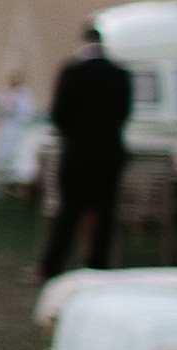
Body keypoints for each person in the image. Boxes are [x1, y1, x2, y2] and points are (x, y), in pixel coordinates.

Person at [36, 25, 133, 279]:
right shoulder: (120, 74)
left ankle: (51, 266)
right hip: (110, 154)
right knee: (105, 211)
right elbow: (125, 113)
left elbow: (59, 116)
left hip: (77, 153)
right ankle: (98, 265)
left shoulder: (71, 73)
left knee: (68, 211)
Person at [0, 67, 36, 196]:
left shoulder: (24, 94)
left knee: (18, 157)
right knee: (3, 156)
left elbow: (28, 112)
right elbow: (0, 110)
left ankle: (19, 187)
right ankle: (3, 187)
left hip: (19, 130)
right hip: (6, 130)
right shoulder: (4, 93)